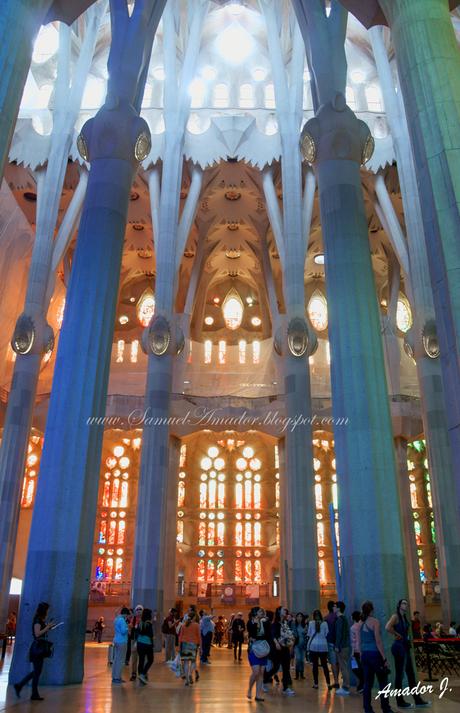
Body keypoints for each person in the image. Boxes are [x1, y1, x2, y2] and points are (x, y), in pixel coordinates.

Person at [386, 599, 429, 708]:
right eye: (403, 603)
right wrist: (397, 634)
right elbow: (387, 627)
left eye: (406, 603)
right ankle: (400, 701)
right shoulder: (395, 616)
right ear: (399, 605)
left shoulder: (404, 617)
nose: (405, 605)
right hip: (399, 647)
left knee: (411, 674)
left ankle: (417, 699)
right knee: (400, 675)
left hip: (405, 647)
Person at [357, 600, 393, 713]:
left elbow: (358, 642)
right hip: (375, 655)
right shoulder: (375, 622)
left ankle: (367, 709)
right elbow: (378, 641)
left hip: (365, 655)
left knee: (367, 683)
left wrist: (362, 655)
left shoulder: (360, 623)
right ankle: (386, 708)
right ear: (372, 610)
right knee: (383, 682)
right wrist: (384, 658)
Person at [13, 602, 54, 701]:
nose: (48, 611)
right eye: (47, 610)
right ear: (44, 610)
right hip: (37, 648)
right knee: (37, 671)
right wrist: (47, 627)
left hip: (39, 647)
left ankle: (22, 687)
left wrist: (48, 627)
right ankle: (28, 691)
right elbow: (37, 634)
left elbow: (41, 631)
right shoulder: (37, 620)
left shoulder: (40, 620)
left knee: (37, 671)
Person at [247, 607, 270, 701]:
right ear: (255, 613)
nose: (262, 612)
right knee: (256, 672)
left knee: (261, 673)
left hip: (263, 648)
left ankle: (258, 695)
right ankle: (249, 689)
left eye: (262, 611)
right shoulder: (251, 622)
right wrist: (256, 623)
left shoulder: (265, 622)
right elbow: (252, 633)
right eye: (260, 611)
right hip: (253, 648)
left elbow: (268, 634)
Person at [271, 606, 296, 696]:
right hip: (278, 649)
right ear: (278, 612)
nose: (285, 611)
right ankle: (265, 678)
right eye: (283, 610)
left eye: (285, 610)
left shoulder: (285, 623)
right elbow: (273, 635)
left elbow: (288, 633)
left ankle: (286, 688)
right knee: (275, 668)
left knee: (286, 668)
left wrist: (291, 640)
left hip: (285, 648)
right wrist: (277, 643)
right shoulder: (275, 623)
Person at [306, 609, 331, 690]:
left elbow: (309, 634)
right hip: (323, 646)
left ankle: (316, 683)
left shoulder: (311, 623)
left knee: (315, 666)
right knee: (324, 665)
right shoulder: (325, 623)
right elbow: (326, 633)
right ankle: (328, 683)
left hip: (313, 646)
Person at [179, 610, 201, 686]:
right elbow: (199, 636)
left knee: (185, 662)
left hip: (184, 644)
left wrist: (179, 646)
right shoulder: (196, 625)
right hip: (193, 644)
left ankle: (186, 681)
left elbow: (180, 636)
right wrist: (200, 646)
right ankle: (190, 674)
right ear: (194, 617)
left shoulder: (184, 625)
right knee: (193, 661)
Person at [334, 601, 351, 695]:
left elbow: (339, 634)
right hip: (345, 646)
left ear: (339, 608)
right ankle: (345, 686)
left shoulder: (340, 619)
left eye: (335, 606)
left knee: (343, 667)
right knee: (344, 666)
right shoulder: (344, 619)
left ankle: (345, 687)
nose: (333, 607)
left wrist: (337, 646)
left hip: (342, 646)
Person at [136, 608, 154, 684]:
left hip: (139, 643)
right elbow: (151, 635)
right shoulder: (149, 623)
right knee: (150, 659)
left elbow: (137, 632)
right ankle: (143, 674)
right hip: (147, 644)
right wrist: (152, 643)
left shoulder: (140, 622)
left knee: (141, 660)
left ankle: (140, 675)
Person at [112, 607, 130, 683]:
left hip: (116, 640)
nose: (127, 616)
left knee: (116, 659)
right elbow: (123, 631)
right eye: (127, 615)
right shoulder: (122, 620)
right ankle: (117, 677)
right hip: (122, 641)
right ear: (125, 614)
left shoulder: (116, 619)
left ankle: (114, 676)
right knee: (120, 660)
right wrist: (128, 627)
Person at [325, 600, 339, 688]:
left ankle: (336, 681)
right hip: (338, 643)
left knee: (333, 663)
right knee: (338, 663)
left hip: (330, 642)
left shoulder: (326, 618)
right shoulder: (337, 617)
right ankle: (337, 680)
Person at [350, 610, 364, 693]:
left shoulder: (352, 628)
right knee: (361, 667)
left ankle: (362, 682)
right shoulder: (362, 626)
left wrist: (351, 653)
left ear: (353, 618)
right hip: (363, 650)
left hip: (355, 651)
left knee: (354, 668)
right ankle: (362, 683)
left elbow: (353, 641)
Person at [128, 605, 143, 681]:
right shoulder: (133, 619)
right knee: (134, 658)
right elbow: (130, 628)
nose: (139, 611)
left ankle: (141, 674)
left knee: (142, 658)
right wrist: (130, 628)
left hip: (142, 641)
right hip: (134, 640)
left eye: (140, 610)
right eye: (137, 610)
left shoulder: (144, 619)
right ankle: (134, 673)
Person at [293, 612, 308, 679]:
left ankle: (301, 674)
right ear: (296, 617)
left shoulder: (305, 625)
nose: (299, 618)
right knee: (298, 659)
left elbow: (307, 634)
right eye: (298, 616)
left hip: (303, 645)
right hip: (297, 644)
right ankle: (297, 674)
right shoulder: (294, 624)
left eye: (301, 616)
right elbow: (293, 634)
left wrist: (306, 632)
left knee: (302, 660)